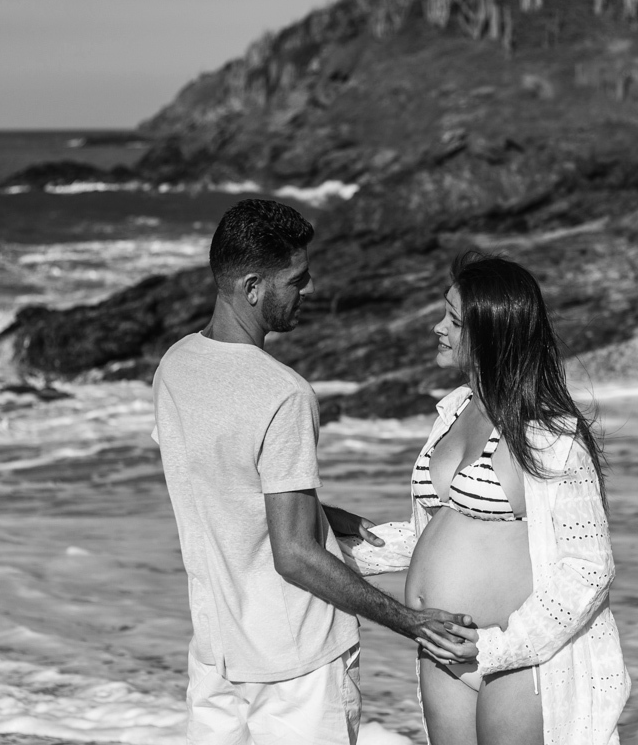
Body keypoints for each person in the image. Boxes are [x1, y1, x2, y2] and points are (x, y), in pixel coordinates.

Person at [152, 198, 473, 745]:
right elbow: (295, 556)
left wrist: (323, 513)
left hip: (217, 655)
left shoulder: (175, 366)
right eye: (296, 280)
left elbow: (222, 489)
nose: (307, 288)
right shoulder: (283, 394)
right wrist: (408, 620)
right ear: (252, 286)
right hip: (296, 667)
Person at [344, 252, 629, 745]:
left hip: (517, 661)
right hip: (443, 648)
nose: (437, 327)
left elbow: (589, 567)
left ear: (492, 333)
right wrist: (336, 544)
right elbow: (438, 532)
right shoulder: (454, 411)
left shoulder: (550, 435)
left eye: (453, 320)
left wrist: (497, 649)